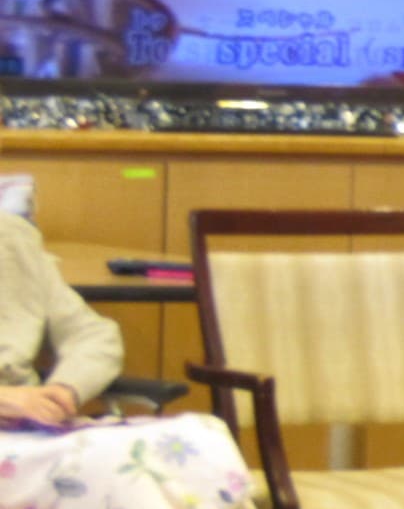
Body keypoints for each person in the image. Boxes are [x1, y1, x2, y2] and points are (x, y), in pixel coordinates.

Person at [0, 213, 255, 508]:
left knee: (202, 437)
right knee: (110, 463)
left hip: (31, 429)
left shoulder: (11, 238)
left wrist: (64, 388)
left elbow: (93, 335)